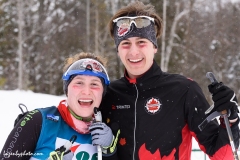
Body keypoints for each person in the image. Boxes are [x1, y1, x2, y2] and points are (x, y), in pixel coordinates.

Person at [100, 1, 240, 160]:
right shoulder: (108, 94)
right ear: (118, 50)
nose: (134, 52)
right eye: (125, 43)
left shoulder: (184, 90)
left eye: (141, 42)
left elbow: (222, 156)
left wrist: (231, 120)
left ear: (154, 47)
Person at [0, 52, 114, 160]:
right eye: (79, 83)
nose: (86, 91)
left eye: (94, 84)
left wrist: (110, 150)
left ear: (103, 92)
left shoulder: (109, 127)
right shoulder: (39, 121)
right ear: (66, 89)